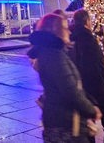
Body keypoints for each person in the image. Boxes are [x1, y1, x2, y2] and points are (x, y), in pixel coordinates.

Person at [29, 13, 100, 143]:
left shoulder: (53, 52)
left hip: (61, 118)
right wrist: (91, 109)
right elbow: (69, 89)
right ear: (57, 31)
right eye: (65, 27)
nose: (68, 30)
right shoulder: (55, 56)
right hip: (65, 122)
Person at [69, 9, 104, 143]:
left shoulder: (71, 40)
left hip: (82, 90)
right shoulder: (89, 40)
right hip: (97, 89)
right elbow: (96, 69)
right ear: (87, 21)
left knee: (87, 127)